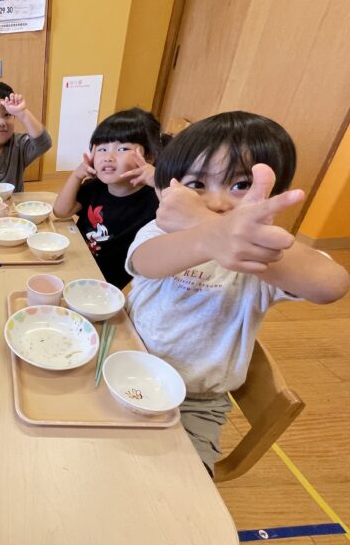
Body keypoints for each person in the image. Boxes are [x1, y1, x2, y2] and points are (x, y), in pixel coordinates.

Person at [124, 111, 350, 475]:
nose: (216, 202)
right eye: (197, 185)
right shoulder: (159, 231)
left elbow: (331, 285)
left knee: (180, 494)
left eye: (241, 184)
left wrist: (211, 225)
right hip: (124, 366)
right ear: (164, 192)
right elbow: (147, 263)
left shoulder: (267, 257)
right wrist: (212, 233)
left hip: (194, 403)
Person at [52, 108, 164, 289]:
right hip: (75, 262)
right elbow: (61, 211)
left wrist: (159, 182)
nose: (109, 157)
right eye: (102, 149)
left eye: (122, 149)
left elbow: (182, 222)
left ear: (149, 157)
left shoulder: (155, 200)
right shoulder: (95, 187)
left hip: (105, 284)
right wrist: (77, 175)